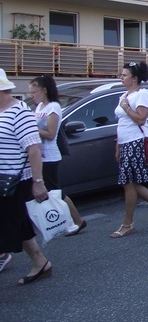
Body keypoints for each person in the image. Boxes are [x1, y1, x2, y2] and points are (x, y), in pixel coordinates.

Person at [0, 69, 53, 285]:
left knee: (12, 222)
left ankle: (39, 262)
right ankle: (40, 262)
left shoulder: (18, 111)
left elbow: (33, 148)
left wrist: (38, 182)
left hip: (14, 179)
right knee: (17, 223)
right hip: (2, 178)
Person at [111, 61, 148, 238]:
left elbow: (141, 119)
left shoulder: (142, 95)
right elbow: (122, 123)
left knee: (128, 183)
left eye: (124, 75)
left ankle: (128, 223)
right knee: (131, 182)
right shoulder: (125, 94)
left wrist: (126, 107)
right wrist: (118, 146)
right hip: (125, 142)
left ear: (134, 79)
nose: (121, 77)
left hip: (136, 142)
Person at [28, 76, 86, 235]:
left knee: (56, 192)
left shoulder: (53, 107)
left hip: (50, 156)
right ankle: (67, 221)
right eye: (30, 93)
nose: (32, 95)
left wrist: (30, 128)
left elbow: (51, 134)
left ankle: (77, 220)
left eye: (34, 92)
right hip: (40, 155)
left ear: (44, 90)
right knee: (51, 192)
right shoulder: (39, 106)